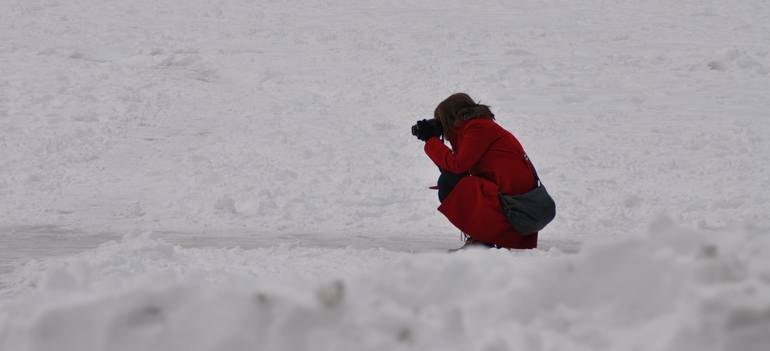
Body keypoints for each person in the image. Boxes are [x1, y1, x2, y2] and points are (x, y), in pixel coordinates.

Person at [414, 93, 538, 250]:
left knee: (449, 183)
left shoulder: (477, 128)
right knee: (451, 181)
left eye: (442, 123)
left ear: (450, 118)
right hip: (515, 203)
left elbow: (457, 166)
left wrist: (431, 140)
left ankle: (483, 241)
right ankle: (483, 238)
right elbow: (457, 169)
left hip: (516, 207)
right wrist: (433, 141)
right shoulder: (478, 127)